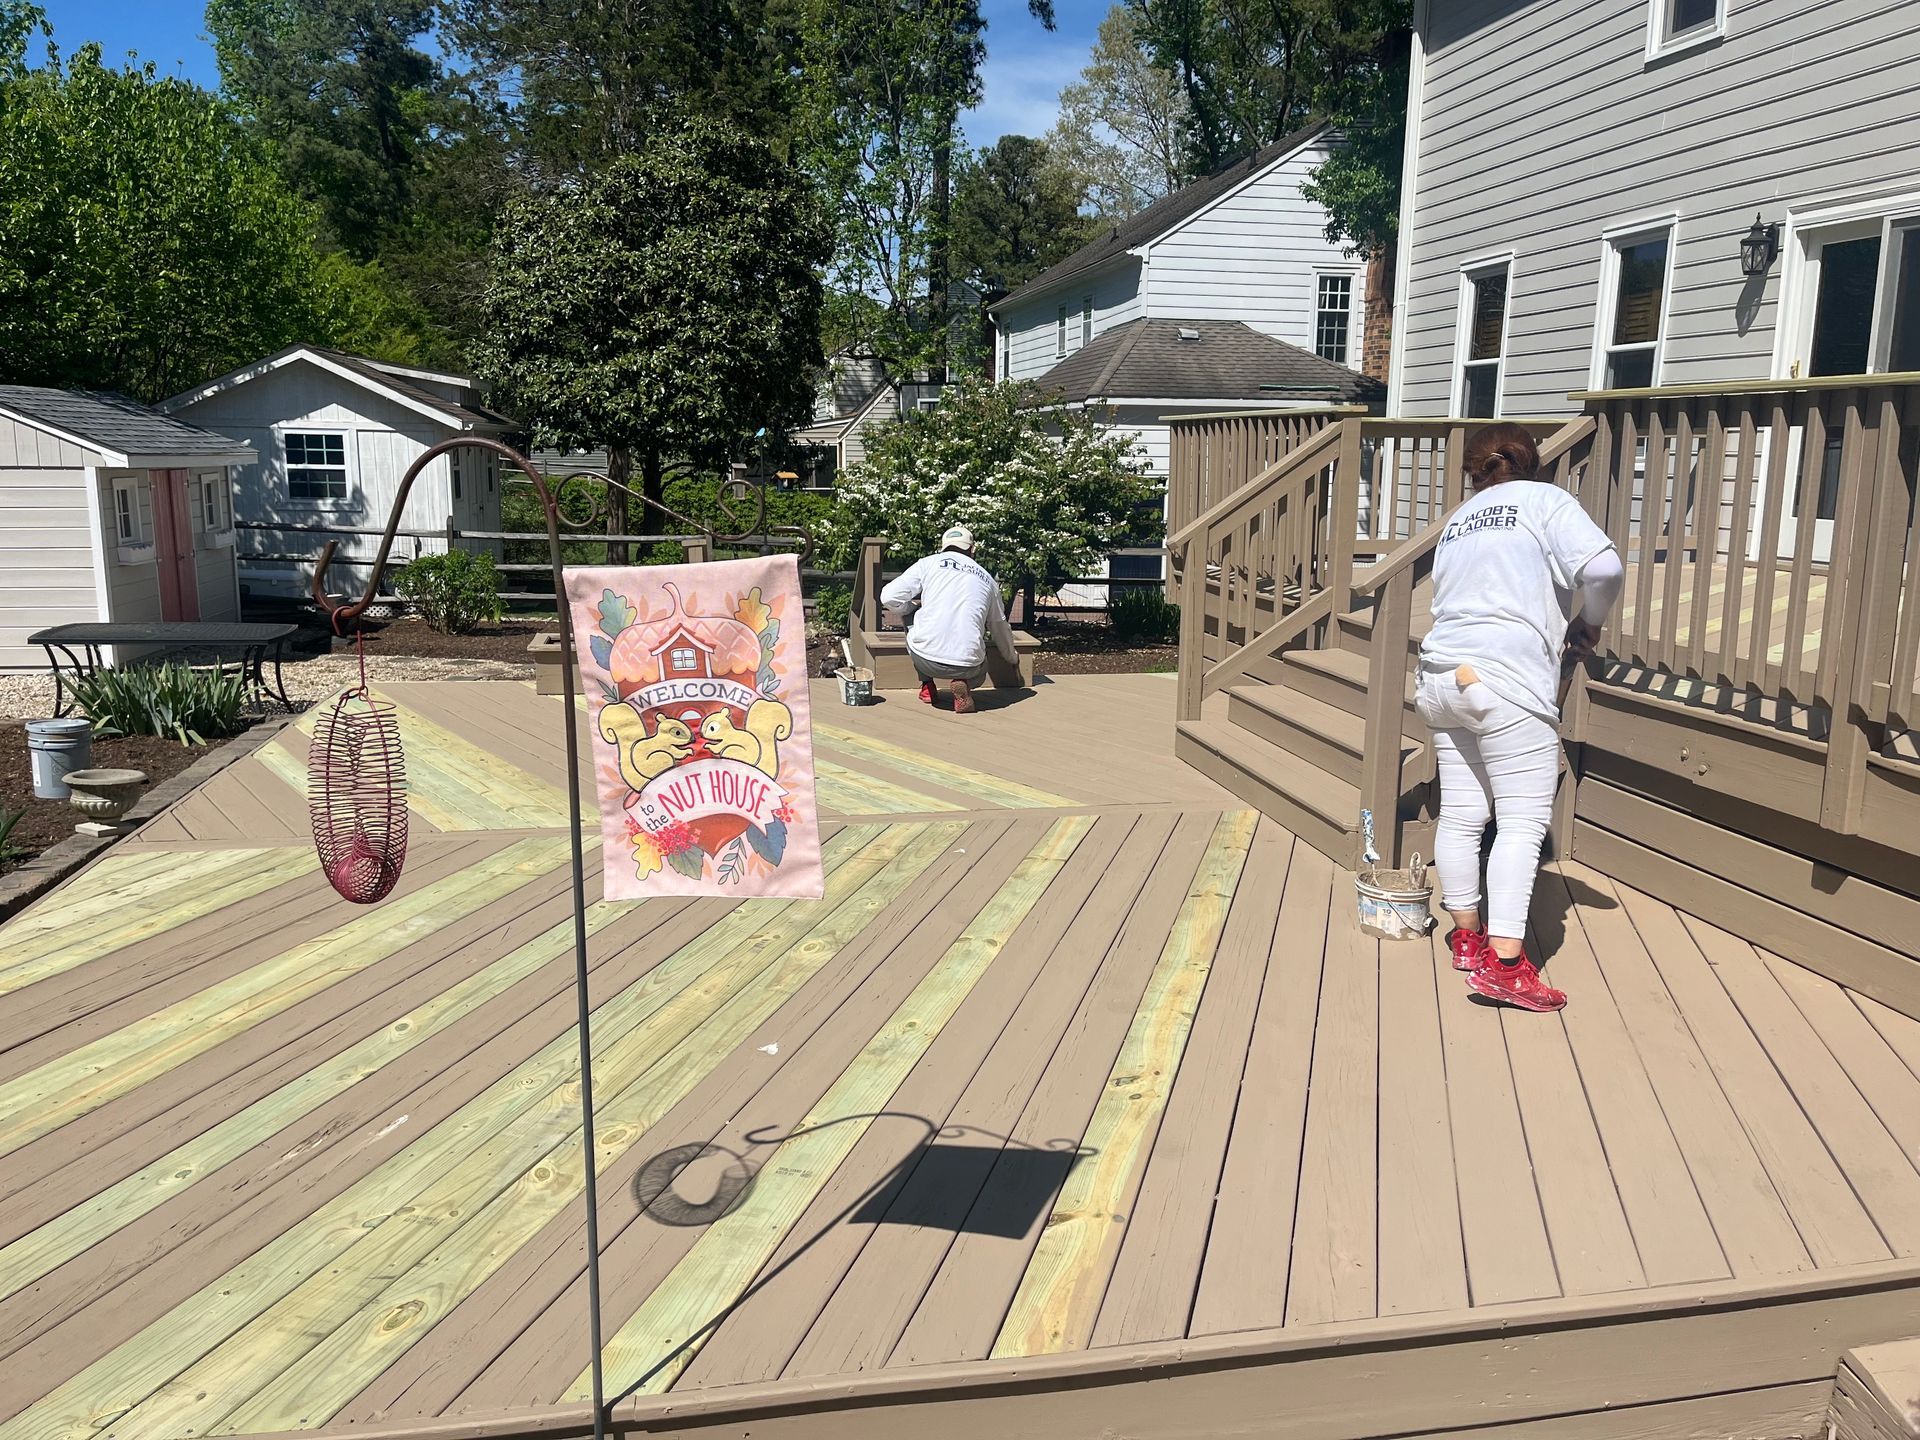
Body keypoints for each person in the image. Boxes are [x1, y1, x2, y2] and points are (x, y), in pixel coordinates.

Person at [1414, 423, 1624, 1013]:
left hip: (1439, 677)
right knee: (1524, 822)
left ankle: (1466, 937)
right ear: (1532, 464)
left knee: (1461, 813)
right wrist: (1590, 620)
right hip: (1503, 683)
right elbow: (1603, 569)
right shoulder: (1545, 500)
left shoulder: (1461, 518)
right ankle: (1507, 965)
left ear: (1473, 472)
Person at [879, 524, 1019, 714]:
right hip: (970, 666)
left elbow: (888, 597)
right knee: (978, 655)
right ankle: (964, 683)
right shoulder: (988, 580)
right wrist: (1012, 657)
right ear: (972, 549)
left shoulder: (929, 563)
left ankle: (927, 686)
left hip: (925, 658)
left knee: (910, 614)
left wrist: (911, 608)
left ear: (943, 547)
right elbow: (999, 626)